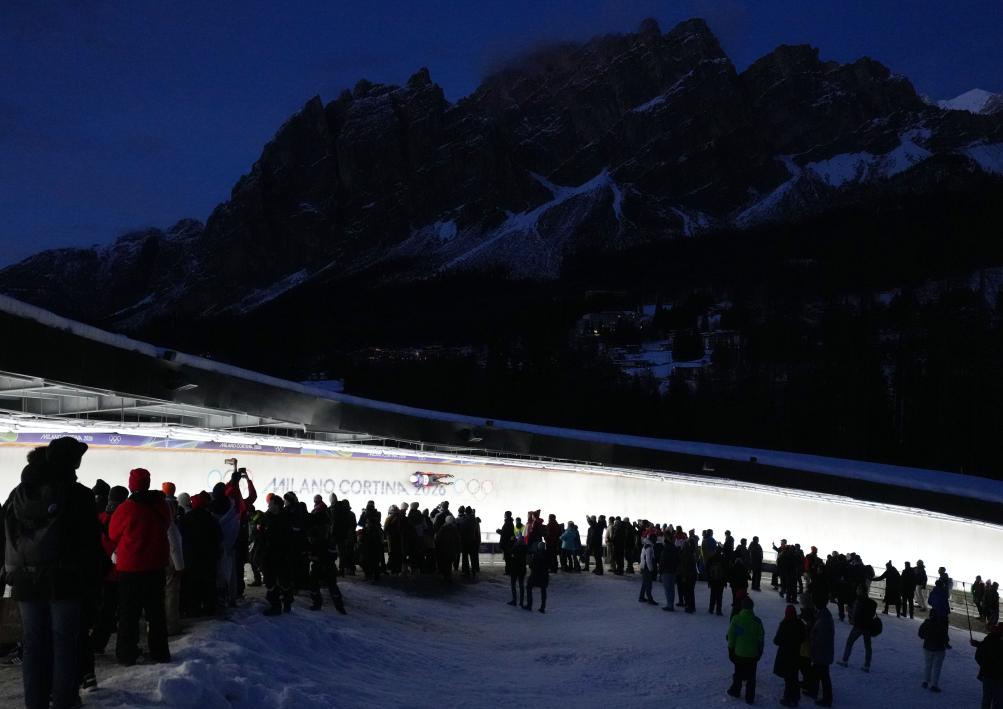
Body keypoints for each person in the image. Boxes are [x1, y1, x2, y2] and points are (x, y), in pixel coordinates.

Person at [3, 440, 102, 709]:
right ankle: (64, 701)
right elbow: (90, 544)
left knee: (33, 645)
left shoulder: (18, 494)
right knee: (65, 644)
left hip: (25, 581)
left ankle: (35, 703)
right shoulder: (78, 494)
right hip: (65, 581)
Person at [107, 467, 171, 666]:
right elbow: (167, 525)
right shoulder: (161, 505)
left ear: (131, 485)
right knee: (156, 612)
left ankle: (126, 654)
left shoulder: (126, 508)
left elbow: (113, 533)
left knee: (128, 613)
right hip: (156, 566)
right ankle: (160, 652)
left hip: (130, 569)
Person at [258, 494, 294, 615]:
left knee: (284, 580)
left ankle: (287, 602)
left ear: (277, 505)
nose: (268, 505)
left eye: (271, 503)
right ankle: (275, 605)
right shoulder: (266, 517)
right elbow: (261, 535)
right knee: (270, 580)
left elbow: (289, 537)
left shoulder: (286, 518)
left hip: (282, 554)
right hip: (269, 554)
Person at [726, 596, 764, 704]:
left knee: (738, 673)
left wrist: (730, 648)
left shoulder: (736, 619)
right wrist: (760, 650)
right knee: (751, 676)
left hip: (739, 653)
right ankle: (750, 697)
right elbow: (761, 638)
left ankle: (736, 690)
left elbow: (731, 636)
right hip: (753, 654)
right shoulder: (757, 621)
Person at [773, 604, 807, 707]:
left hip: (785, 655)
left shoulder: (784, 624)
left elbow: (776, 640)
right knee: (794, 676)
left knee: (788, 678)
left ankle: (788, 698)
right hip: (797, 654)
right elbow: (804, 638)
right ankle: (795, 697)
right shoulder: (800, 624)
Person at [838, 585, 877, 671]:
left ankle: (845, 661)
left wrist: (849, 610)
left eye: (857, 589)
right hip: (868, 627)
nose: (856, 590)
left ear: (861, 591)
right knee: (868, 646)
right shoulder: (871, 602)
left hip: (859, 626)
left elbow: (855, 614)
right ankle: (867, 665)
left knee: (849, 642)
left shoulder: (858, 601)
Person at [807, 597, 835, 707]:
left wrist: (812, 645)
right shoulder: (824, 616)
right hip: (824, 651)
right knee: (817, 673)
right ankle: (813, 691)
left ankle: (827, 699)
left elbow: (819, 638)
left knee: (823, 676)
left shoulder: (823, 619)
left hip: (822, 652)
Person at [918, 612, 949, 692]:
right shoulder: (942, 626)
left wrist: (927, 637)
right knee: (937, 667)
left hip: (927, 647)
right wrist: (947, 645)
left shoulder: (925, 624)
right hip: (939, 649)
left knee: (928, 665)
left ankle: (925, 681)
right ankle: (934, 685)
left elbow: (920, 635)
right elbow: (946, 638)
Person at [975, 622, 1003, 707]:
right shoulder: (990, 639)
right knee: (998, 701)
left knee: (987, 699)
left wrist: (984, 666)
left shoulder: (989, 639)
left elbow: (979, 656)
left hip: (988, 674)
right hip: (999, 677)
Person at [525, 540, 550, 613]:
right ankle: (542, 607)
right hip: (544, 575)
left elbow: (531, 565)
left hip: (535, 575)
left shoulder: (536, 555)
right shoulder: (547, 555)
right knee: (543, 590)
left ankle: (529, 604)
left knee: (529, 587)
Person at [507, 532, 528, 607]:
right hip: (522, 569)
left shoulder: (515, 547)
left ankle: (514, 600)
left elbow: (509, 551)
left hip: (515, 569)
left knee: (513, 584)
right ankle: (521, 602)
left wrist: (511, 541)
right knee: (521, 585)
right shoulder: (525, 548)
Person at [660, 534, 680, 611]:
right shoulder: (675, 548)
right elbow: (678, 560)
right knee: (671, 589)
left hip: (666, 571)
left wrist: (661, 570)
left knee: (668, 589)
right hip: (673, 571)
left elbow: (662, 561)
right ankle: (670, 604)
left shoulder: (666, 549)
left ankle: (669, 605)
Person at [638, 536, 657, 605]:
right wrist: (651, 569)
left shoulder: (646, 546)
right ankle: (650, 599)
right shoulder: (649, 547)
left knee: (645, 583)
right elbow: (648, 560)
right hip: (647, 568)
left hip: (644, 567)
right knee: (648, 584)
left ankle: (641, 597)